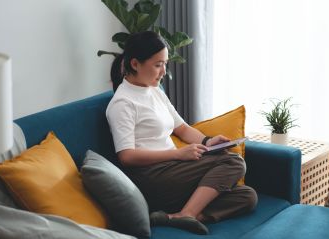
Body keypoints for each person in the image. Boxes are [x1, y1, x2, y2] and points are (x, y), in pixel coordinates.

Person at [106, 31, 257, 235]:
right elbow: (127, 157)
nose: (163, 71)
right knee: (233, 162)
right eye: (158, 64)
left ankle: (177, 217)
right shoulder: (122, 103)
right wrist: (178, 154)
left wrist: (208, 141)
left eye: (165, 64)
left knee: (247, 196)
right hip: (153, 177)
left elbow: (182, 129)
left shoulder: (155, 92)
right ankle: (185, 214)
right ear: (135, 64)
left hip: (175, 171)